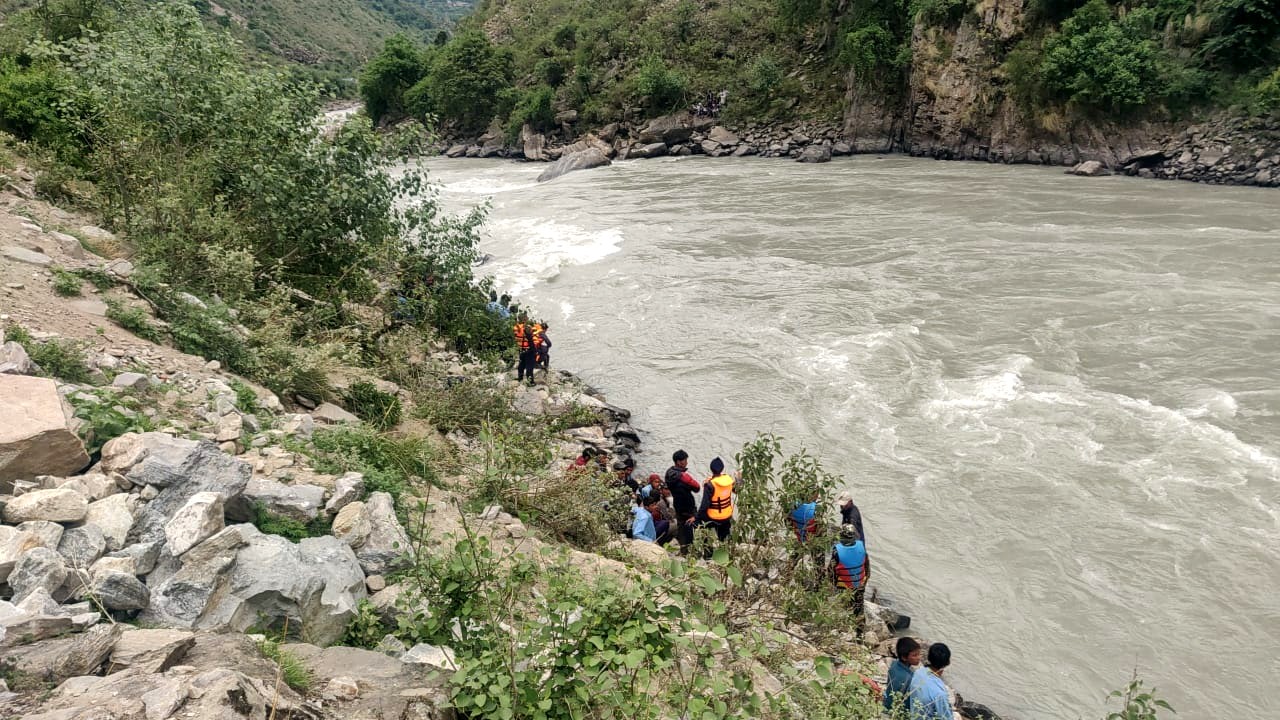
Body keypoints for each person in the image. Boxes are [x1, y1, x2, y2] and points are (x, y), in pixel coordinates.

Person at [664, 450, 702, 554]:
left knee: (681, 526)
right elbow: (697, 488)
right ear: (679, 462)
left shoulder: (669, 473)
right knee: (691, 527)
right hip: (687, 507)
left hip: (678, 504)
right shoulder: (682, 477)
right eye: (685, 460)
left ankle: (683, 548)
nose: (687, 462)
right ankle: (690, 550)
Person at [830, 524, 870, 617]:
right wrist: (864, 583)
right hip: (860, 585)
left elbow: (831, 571)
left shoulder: (837, 551)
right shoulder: (861, 546)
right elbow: (867, 568)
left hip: (843, 587)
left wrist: (832, 584)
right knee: (859, 609)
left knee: (844, 609)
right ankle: (859, 629)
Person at [906, 643, 953, 720]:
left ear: (929, 658)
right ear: (946, 663)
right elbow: (946, 717)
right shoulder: (940, 693)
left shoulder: (918, 672)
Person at [696, 457, 736, 542]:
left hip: (713, 517)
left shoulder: (710, 485)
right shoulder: (729, 481)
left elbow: (704, 505)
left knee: (703, 527)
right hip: (726, 516)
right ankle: (726, 550)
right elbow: (737, 490)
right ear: (722, 469)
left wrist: (697, 517)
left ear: (711, 469)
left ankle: (708, 551)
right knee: (725, 539)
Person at [884, 637, 922, 714]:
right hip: (895, 711)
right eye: (914, 655)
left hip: (887, 702)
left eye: (919, 654)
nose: (919, 658)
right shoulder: (908, 679)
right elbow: (908, 703)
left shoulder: (894, 664)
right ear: (904, 657)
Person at [514, 315, 536, 384]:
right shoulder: (524, 328)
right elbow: (529, 339)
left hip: (526, 351)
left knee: (525, 367)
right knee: (525, 367)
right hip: (526, 351)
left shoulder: (519, 328)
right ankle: (525, 381)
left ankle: (525, 380)